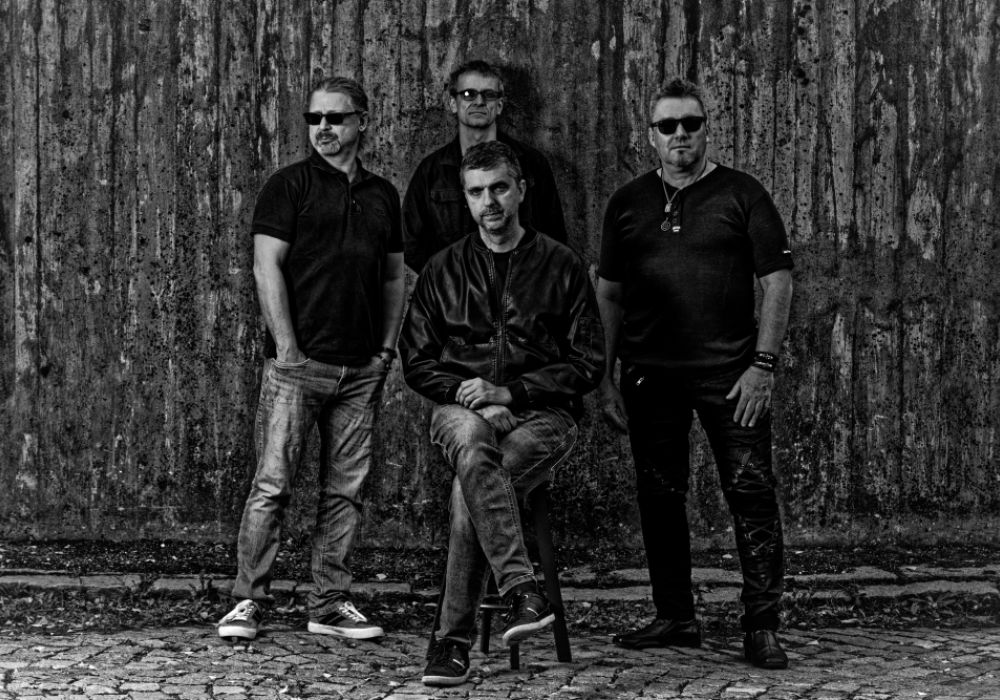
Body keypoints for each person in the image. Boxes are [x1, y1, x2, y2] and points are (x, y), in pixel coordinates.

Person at [596, 78, 795, 669]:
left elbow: (777, 281)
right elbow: (609, 294)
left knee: (751, 493)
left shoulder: (742, 193)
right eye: (668, 126)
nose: (680, 134)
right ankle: (675, 617)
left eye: (691, 123)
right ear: (650, 136)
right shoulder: (627, 203)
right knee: (659, 496)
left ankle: (762, 625)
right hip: (650, 377)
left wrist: (763, 366)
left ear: (706, 129)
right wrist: (603, 376)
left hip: (731, 377)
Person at [399, 141, 604, 686]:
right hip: (461, 411)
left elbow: (588, 363)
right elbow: (415, 360)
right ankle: (521, 590)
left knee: (471, 485)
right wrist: (474, 397)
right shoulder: (443, 268)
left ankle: (450, 644)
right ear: (466, 199)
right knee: (472, 444)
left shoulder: (561, 264)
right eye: (476, 192)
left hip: (544, 418)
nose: (488, 201)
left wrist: (511, 393)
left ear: (520, 190)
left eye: (498, 188)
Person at [217, 77, 406, 643]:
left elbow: (394, 276)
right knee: (273, 485)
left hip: (360, 370)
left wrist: (384, 351)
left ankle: (328, 603)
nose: (323, 127)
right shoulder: (289, 186)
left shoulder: (382, 194)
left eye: (336, 117)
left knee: (345, 492)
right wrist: (288, 349)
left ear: (362, 121)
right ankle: (247, 600)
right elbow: (265, 267)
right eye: (314, 118)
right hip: (298, 370)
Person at [402, 59, 567, 273]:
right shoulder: (431, 171)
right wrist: (449, 279)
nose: (479, 101)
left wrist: (525, 278)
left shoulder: (532, 164)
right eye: (468, 94)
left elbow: (554, 235)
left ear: (499, 105)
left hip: (521, 285)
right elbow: (409, 241)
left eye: (488, 95)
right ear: (453, 103)